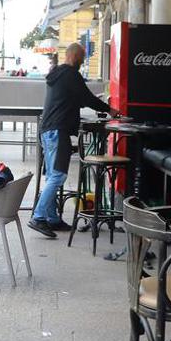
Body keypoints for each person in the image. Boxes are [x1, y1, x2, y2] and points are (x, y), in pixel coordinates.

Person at [30, 42, 114, 238]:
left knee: (53, 176)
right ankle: (39, 216)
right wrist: (109, 109)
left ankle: (51, 218)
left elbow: (78, 97)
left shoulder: (58, 73)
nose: (83, 60)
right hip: (57, 130)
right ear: (75, 56)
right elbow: (87, 98)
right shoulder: (70, 74)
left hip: (48, 130)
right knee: (58, 176)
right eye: (82, 57)